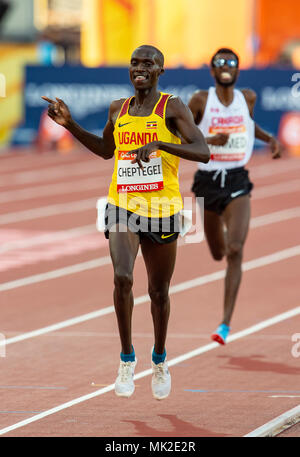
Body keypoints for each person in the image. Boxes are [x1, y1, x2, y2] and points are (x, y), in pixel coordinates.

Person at [42, 45, 210, 400]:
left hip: (162, 207)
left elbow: (203, 151)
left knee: (158, 292)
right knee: (122, 276)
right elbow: (106, 151)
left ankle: (160, 359)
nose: (140, 68)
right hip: (123, 205)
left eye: (148, 63)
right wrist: (70, 124)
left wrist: (162, 145)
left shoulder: (172, 107)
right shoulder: (118, 109)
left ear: (160, 70)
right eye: (135, 62)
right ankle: (127, 358)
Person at [188, 48, 282, 345]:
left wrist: (270, 139)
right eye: (220, 63)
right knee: (218, 252)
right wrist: (210, 140)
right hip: (207, 182)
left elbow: (247, 125)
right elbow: (182, 135)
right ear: (212, 71)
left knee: (236, 249)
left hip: (238, 178)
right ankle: (224, 240)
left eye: (231, 63)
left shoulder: (248, 98)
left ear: (238, 70)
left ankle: (225, 324)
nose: (225, 67)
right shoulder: (201, 100)